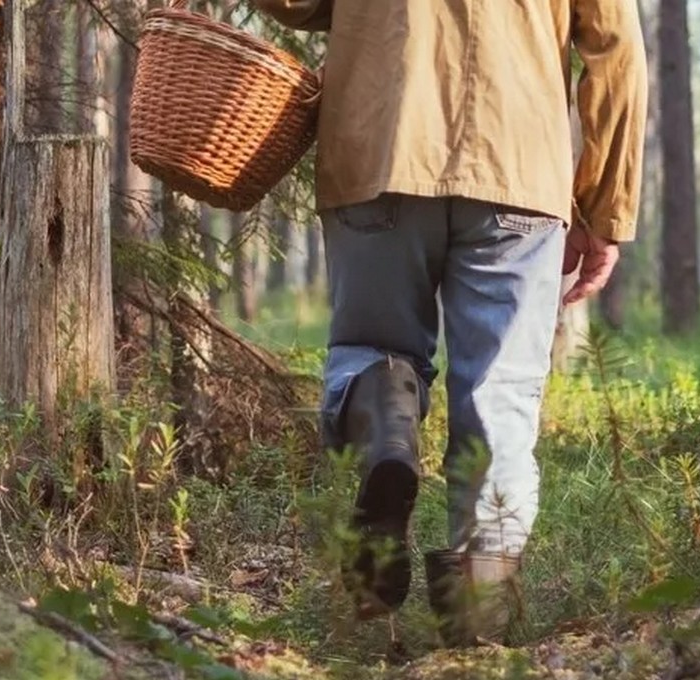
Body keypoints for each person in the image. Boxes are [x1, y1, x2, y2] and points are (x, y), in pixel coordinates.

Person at [252, 0, 647, 647]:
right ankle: (474, 627)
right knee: (500, 396)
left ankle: (385, 423)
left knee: (371, 349)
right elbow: (616, 45)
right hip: (515, 164)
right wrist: (605, 203)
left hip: (376, 144)